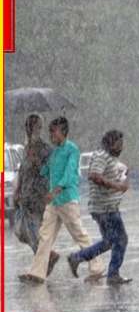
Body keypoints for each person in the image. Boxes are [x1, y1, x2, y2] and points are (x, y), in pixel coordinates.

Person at [18, 117, 104, 284]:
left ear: (63, 132)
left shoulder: (72, 150)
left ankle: (97, 267)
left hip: (66, 200)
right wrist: (35, 161)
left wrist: (56, 190)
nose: (51, 135)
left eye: (54, 132)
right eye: (50, 132)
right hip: (53, 202)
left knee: (79, 234)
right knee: (45, 236)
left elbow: (69, 174)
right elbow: (45, 171)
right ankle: (37, 273)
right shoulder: (55, 152)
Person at [67, 130, 132, 285]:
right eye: (119, 144)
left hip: (106, 208)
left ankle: (78, 257)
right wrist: (116, 185)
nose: (121, 147)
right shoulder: (102, 156)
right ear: (110, 143)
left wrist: (123, 178)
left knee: (110, 241)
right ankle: (112, 274)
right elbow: (94, 175)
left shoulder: (110, 158)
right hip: (105, 209)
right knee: (120, 240)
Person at [13, 114, 60, 274]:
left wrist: (37, 163)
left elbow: (49, 171)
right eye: (32, 127)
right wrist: (17, 189)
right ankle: (46, 259)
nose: (34, 131)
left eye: (37, 127)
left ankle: (42, 265)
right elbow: (22, 170)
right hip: (25, 195)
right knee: (22, 232)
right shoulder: (26, 148)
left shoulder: (45, 149)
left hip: (38, 196)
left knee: (34, 231)